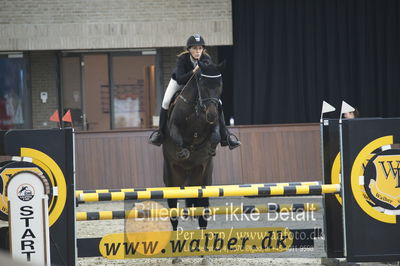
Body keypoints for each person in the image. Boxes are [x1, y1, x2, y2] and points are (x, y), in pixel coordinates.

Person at [149, 34, 241, 149]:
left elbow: (209, 76)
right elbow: (180, 78)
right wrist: (193, 71)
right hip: (179, 82)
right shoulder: (182, 59)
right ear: (189, 50)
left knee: (219, 103)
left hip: (197, 84)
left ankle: (225, 136)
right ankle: (160, 134)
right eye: (194, 48)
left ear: (203, 49)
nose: (198, 51)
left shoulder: (206, 59)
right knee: (166, 102)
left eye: (200, 48)